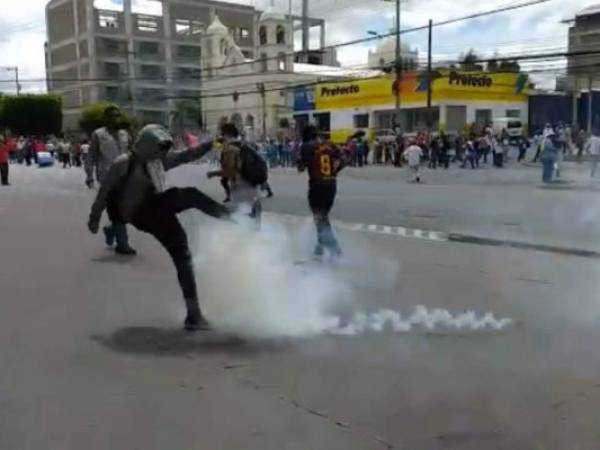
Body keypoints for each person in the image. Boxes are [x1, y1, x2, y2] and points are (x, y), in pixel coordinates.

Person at [87, 125, 231, 331]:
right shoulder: (124, 163)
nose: (163, 153)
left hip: (156, 209)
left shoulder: (157, 160)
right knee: (188, 195)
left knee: (183, 254)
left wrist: (212, 143)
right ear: (147, 144)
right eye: (160, 148)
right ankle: (232, 218)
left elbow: (186, 155)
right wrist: (94, 217)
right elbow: (104, 191)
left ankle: (193, 314)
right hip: (139, 213)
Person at [85, 105, 136, 255]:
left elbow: (133, 153)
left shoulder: (124, 134)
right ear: (106, 118)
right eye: (112, 116)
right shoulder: (98, 134)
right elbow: (91, 157)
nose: (115, 118)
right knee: (117, 209)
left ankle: (111, 228)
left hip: (126, 176)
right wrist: (89, 176)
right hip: (107, 177)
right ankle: (123, 244)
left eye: (117, 116)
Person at [297, 125, 344, 260]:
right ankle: (320, 247)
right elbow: (344, 159)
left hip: (317, 186)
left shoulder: (306, 146)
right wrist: (334, 172)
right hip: (331, 185)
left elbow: (300, 168)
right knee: (323, 216)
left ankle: (335, 249)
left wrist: (301, 159)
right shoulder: (329, 144)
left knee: (320, 219)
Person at [207, 123, 265, 222]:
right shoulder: (245, 145)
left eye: (221, 134)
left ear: (225, 134)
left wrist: (213, 174)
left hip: (240, 189)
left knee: (242, 222)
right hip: (253, 187)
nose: (220, 137)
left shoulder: (230, 149)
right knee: (254, 223)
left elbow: (231, 171)